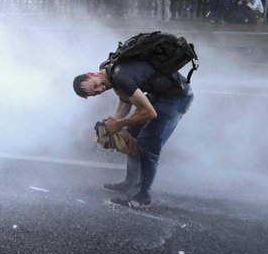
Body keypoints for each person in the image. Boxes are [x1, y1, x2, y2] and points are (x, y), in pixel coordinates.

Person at [72, 45, 194, 208]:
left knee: (148, 146)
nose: (100, 89)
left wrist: (119, 123)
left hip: (176, 98)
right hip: (159, 94)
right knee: (132, 135)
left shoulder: (121, 76)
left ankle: (142, 197)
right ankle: (130, 182)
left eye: (96, 86)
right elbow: (125, 100)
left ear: (91, 74)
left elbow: (150, 113)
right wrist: (113, 125)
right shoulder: (106, 70)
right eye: (96, 92)